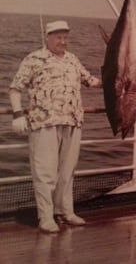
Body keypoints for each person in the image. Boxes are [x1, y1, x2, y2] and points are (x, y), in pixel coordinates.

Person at [9, 20, 102, 233]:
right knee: (45, 173)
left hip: (72, 121)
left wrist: (114, 77)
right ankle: (46, 217)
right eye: (58, 37)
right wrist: (17, 114)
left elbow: (91, 81)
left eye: (65, 37)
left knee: (67, 171)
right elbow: (15, 88)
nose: (63, 41)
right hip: (45, 123)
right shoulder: (34, 59)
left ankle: (65, 211)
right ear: (47, 37)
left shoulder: (72, 60)